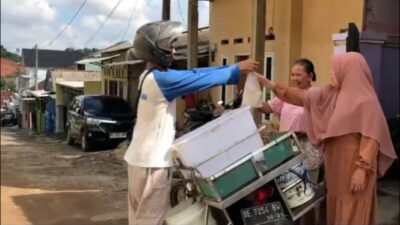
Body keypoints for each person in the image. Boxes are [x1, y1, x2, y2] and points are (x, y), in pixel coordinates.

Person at [124, 20, 264, 225]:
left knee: (139, 218)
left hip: (138, 160)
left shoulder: (147, 76)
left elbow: (195, 74)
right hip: (152, 165)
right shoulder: (163, 81)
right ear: (157, 49)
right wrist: (236, 69)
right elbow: (198, 78)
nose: (173, 50)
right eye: (170, 46)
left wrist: (233, 68)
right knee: (150, 220)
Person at [259, 52, 397, 225]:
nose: (331, 73)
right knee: (334, 204)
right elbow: (302, 97)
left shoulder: (366, 102)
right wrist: (270, 85)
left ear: (349, 71)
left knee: (351, 206)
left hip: (353, 166)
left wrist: (362, 170)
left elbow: (371, 139)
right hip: (335, 165)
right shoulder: (331, 94)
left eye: (335, 69)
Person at [258, 58, 323, 224]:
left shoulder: (316, 96)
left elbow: (323, 125)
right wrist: (254, 98)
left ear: (310, 76)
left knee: (307, 196)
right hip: (286, 151)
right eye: (293, 75)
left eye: (299, 75)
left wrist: (306, 132)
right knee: (289, 195)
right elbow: (268, 108)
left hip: (308, 151)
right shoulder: (286, 96)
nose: (295, 78)